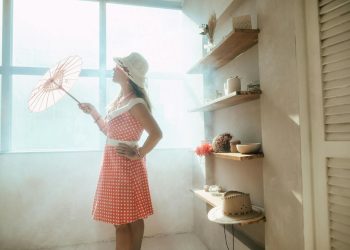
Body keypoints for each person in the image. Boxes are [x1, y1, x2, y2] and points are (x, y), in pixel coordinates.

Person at [79, 52, 162, 250]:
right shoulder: (121, 101)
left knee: (127, 219)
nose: (113, 69)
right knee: (122, 220)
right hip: (113, 165)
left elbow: (156, 134)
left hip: (126, 167)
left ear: (127, 74)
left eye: (117, 66)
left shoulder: (136, 103)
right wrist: (93, 112)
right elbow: (110, 132)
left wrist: (139, 153)